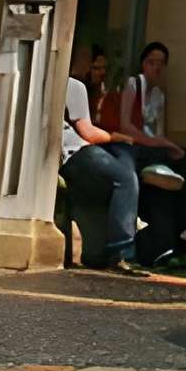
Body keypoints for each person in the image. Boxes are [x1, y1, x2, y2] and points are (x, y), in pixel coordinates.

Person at [117, 39, 186, 262]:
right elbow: (126, 126)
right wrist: (159, 144)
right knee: (171, 160)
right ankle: (184, 228)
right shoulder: (134, 84)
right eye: (152, 62)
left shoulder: (159, 95)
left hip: (155, 148)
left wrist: (168, 146)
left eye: (161, 63)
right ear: (143, 64)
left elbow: (160, 131)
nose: (156, 67)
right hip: (136, 148)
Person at [59, 41, 140, 271]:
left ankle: (96, 250)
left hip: (65, 157)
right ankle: (122, 248)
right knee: (125, 177)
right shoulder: (74, 85)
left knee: (114, 177)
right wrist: (117, 137)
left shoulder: (57, 83)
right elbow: (88, 132)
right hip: (75, 153)